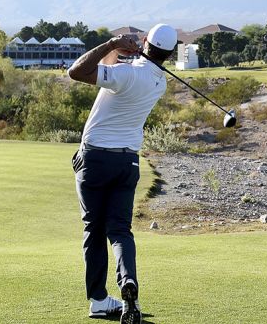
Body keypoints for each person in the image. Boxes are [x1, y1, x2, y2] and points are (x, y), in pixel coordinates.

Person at [67, 23, 177, 323]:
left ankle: (100, 301)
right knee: (119, 230)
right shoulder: (158, 81)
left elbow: (76, 72)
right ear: (170, 54)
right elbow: (109, 69)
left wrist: (110, 43)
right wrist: (116, 48)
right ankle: (128, 282)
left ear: (144, 41)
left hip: (96, 159)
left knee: (93, 229)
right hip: (128, 163)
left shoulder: (127, 75)